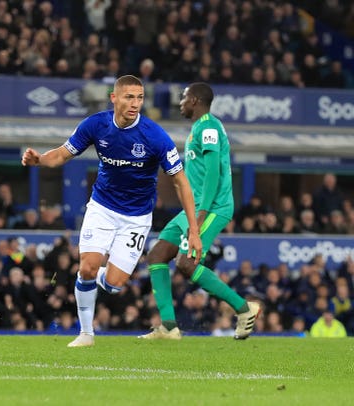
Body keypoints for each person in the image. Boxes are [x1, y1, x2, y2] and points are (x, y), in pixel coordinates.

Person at [21, 75, 202, 347]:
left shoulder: (155, 137)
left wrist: (194, 230)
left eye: (140, 98)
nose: (135, 103)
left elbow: (181, 183)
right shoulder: (96, 125)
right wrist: (40, 160)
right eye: (129, 97)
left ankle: (101, 280)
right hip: (102, 208)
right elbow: (63, 154)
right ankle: (85, 334)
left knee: (115, 284)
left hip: (137, 218)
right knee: (87, 268)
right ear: (114, 98)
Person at [141, 82, 261, 341]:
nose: (180, 103)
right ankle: (169, 328)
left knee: (186, 263)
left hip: (212, 208)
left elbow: (213, 174)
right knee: (157, 255)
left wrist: (202, 214)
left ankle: (243, 308)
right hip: (191, 208)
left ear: (194, 100)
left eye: (183, 98)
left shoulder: (209, 127)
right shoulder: (200, 127)